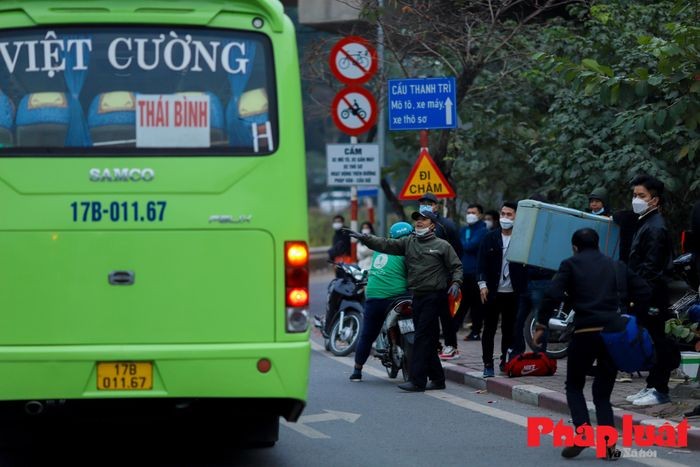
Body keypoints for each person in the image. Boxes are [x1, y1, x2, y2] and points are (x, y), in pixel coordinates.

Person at [534, 228, 650, 460]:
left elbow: (552, 294)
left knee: (575, 385)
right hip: (613, 335)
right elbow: (645, 290)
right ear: (598, 245)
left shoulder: (570, 264)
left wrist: (541, 325)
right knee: (602, 393)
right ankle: (608, 444)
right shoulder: (616, 265)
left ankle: (582, 432)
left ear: (575, 247)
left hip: (585, 332)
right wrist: (633, 316)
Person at [346, 209, 463, 392]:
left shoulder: (442, 246)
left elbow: (456, 266)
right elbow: (385, 244)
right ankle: (438, 380)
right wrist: (364, 238)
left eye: (423, 220)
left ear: (432, 225)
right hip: (417, 296)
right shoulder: (409, 243)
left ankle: (417, 381)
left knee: (422, 337)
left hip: (435, 296)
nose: (419, 222)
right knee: (429, 339)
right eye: (417, 219)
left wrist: (456, 282)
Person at [624, 174, 680, 406]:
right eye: (635, 195)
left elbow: (651, 268)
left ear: (654, 200)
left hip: (652, 294)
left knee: (658, 341)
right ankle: (650, 386)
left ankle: (660, 389)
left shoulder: (655, 227)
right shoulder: (646, 222)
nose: (636, 199)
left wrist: (639, 294)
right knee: (650, 340)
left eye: (642, 196)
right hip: (645, 292)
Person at [350, 222, 413, 382]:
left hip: (374, 296)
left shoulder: (380, 249)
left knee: (367, 335)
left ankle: (357, 370)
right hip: (399, 296)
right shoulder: (407, 249)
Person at [477, 201, 526, 377]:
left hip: (513, 293)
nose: (505, 218)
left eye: (509, 214)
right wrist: (482, 284)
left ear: (516, 217)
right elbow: (481, 264)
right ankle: (487, 364)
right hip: (491, 292)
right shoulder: (490, 237)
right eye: (503, 214)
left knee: (509, 330)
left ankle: (505, 361)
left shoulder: (522, 239)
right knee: (489, 329)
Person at [417, 193, 463, 360]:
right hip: (424, 279)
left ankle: (451, 346)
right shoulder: (417, 225)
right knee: (429, 315)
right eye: (422, 203)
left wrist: (454, 277)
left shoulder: (446, 225)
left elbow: (458, 251)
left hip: (445, 278)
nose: (425, 206)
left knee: (446, 314)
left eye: (429, 203)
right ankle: (434, 345)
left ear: (436, 206)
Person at [456, 203, 488, 342]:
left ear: (480, 215)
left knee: (477, 305)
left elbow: (469, 246)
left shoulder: (483, 230)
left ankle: (475, 332)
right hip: (464, 272)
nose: (470, 215)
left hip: (476, 272)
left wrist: (462, 243)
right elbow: (460, 245)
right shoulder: (464, 229)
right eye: (468, 212)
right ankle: (453, 329)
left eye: (473, 212)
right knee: (461, 303)